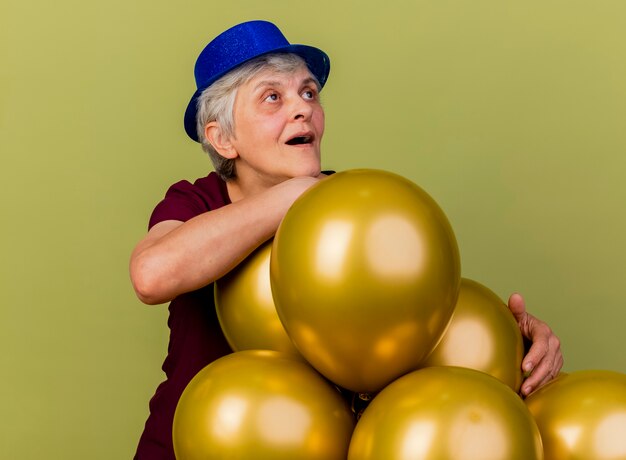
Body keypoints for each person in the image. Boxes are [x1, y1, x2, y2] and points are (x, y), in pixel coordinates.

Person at [129, 20, 563, 459]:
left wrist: (519, 345)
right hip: (195, 445)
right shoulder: (195, 201)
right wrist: (291, 198)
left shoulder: (354, 207)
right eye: (272, 97)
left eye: (309, 92)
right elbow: (152, 275)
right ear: (223, 139)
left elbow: (424, 313)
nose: (302, 108)